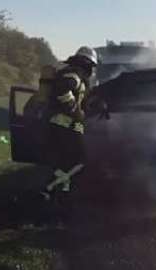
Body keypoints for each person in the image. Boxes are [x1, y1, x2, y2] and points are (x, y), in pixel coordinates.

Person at [40, 46, 98, 200]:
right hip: (64, 124)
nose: (92, 70)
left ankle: (63, 191)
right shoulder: (74, 75)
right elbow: (63, 90)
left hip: (61, 124)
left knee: (67, 162)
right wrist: (75, 110)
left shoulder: (73, 74)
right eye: (91, 66)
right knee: (81, 161)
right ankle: (49, 188)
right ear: (87, 63)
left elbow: (82, 99)